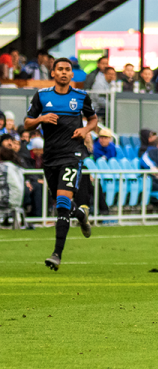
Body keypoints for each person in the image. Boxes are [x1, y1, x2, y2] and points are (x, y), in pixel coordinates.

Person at [23, 58, 96, 270]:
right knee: (61, 202)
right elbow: (27, 123)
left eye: (67, 69)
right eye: (60, 69)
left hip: (72, 155)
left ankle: (56, 254)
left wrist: (85, 130)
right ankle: (81, 214)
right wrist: (41, 119)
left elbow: (93, 119)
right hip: (50, 157)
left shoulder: (81, 96)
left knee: (62, 205)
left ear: (72, 74)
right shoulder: (42, 96)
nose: (64, 72)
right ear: (53, 73)